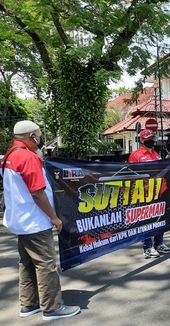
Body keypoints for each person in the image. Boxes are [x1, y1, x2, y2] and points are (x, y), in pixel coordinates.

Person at [1, 120, 80, 320]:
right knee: (46, 264)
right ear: (31, 136)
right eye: (38, 134)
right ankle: (52, 308)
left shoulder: (9, 156)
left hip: (20, 220)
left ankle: (29, 304)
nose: (40, 138)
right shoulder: (28, 158)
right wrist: (54, 217)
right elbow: (37, 192)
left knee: (26, 263)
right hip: (35, 221)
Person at [128, 129, 170, 258]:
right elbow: (131, 175)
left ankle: (159, 244)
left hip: (159, 191)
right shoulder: (135, 155)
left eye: (152, 138)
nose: (151, 140)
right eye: (148, 138)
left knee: (160, 219)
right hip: (144, 193)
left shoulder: (156, 154)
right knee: (146, 220)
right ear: (142, 140)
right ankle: (148, 247)